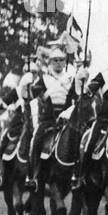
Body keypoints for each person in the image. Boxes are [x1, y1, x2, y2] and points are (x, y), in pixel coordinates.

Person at [74, 34, 108, 189]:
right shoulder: (103, 73)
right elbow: (87, 92)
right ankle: (82, 175)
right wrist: (80, 79)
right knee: (90, 141)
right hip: (106, 117)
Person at [23, 44, 77, 190]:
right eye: (55, 60)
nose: (58, 63)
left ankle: (78, 175)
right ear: (50, 63)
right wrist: (27, 85)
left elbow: (76, 99)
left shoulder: (70, 79)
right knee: (35, 140)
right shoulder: (43, 79)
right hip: (48, 120)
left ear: (65, 62)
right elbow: (31, 95)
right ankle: (32, 175)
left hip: (66, 120)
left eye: (61, 60)